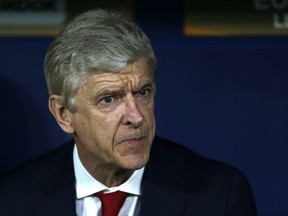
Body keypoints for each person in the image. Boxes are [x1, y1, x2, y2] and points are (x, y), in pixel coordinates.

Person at [0, 9, 257, 216]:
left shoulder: (219, 197)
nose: (136, 116)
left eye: (143, 92)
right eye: (109, 99)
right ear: (64, 113)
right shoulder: (13, 201)